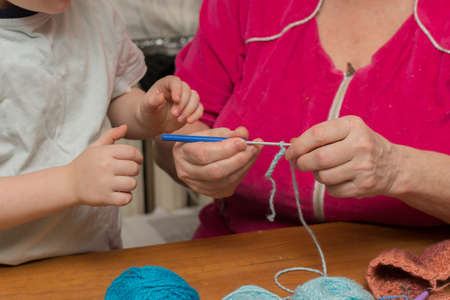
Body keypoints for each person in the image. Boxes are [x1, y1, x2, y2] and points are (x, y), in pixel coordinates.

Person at [154, 0, 450, 239]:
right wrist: (191, 159)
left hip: (419, 272)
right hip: (241, 258)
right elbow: (176, 133)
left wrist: (396, 169)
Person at [0, 0, 203, 265]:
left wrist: (146, 113)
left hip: (93, 255)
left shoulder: (96, 12)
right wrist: (69, 182)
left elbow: (114, 96)